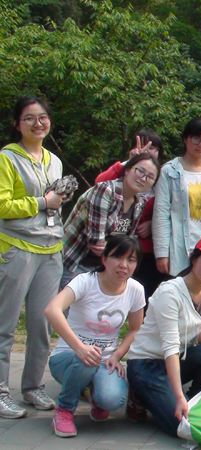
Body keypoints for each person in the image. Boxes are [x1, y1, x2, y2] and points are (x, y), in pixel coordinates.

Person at [125, 234, 201, 436]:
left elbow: (199, 339)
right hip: (147, 365)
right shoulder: (170, 292)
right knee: (182, 427)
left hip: (177, 360)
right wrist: (179, 397)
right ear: (193, 259)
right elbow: (170, 347)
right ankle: (141, 394)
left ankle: (189, 402)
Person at [0, 97, 66, 418]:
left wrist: (55, 202)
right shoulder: (7, 158)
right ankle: (0, 391)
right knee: (6, 323)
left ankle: (32, 387)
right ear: (17, 124)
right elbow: (2, 205)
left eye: (42, 117)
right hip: (17, 247)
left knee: (42, 324)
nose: (37, 123)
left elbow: (56, 202)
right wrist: (42, 202)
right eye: (29, 118)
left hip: (50, 250)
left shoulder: (54, 160)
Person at [44, 235, 145, 437]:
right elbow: (52, 309)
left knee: (112, 400)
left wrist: (117, 355)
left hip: (105, 361)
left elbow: (135, 328)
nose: (124, 265)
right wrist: (79, 348)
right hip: (68, 358)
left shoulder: (135, 289)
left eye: (131, 260)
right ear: (104, 258)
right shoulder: (85, 281)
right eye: (117, 257)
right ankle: (64, 409)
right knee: (87, 360)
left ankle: (91, 393)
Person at [61, 153, 159, 288]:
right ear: (127, 170)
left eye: (150, 177)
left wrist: (117, 254)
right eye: (140, 171)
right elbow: (96, 242)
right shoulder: (105, 190)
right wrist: (119, 253)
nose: (143, 178)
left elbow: (127, 244)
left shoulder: (139, 203)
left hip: (103, 268)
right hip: (75, 263)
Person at [152, 118, 201, 277]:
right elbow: (161, 213)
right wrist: (161, 253)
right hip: (179, 247)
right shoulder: (169, 171)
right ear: (185, 139)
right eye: (196, 138)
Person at [95, 130, 166, 298]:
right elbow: (99, 184)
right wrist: (129, 162)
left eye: (153, 148)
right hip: (116, 247)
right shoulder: (126, 174)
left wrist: (152, 224)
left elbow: (170, 211)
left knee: (143, 294)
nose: (148, 151)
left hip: (148, 250)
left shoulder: (162, 179)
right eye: (143, 146)